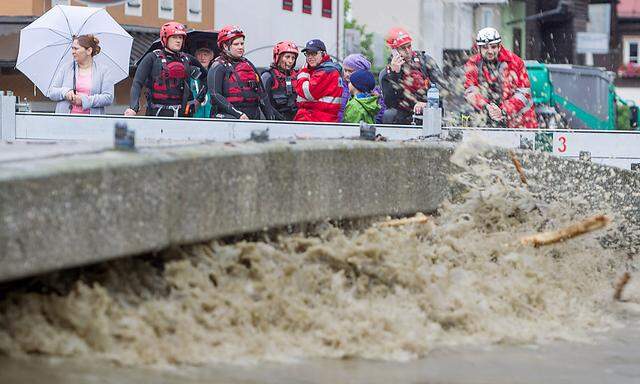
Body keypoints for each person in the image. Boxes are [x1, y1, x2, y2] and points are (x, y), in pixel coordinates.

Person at [124, 22, 207, 117]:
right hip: (156, 114)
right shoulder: (152, 58)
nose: (178, 41)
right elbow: (137, 83)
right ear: (164, 38)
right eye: (174, 37)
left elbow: (207, 78)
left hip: (182, 115)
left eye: (180, 37)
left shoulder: (187, 59)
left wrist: (198, 100)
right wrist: (133, 107)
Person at [464, 27, 538, 128]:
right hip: (486, 118)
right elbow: (470, 91)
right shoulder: (472, 64)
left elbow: (523, 93)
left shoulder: (515, 62)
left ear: (499, 46)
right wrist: (487, 107)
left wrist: (503, 111)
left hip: (520, 121)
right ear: (479, 48)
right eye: (485, 47)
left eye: (493, 47)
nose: (490, 51)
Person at [380, 27, 443, 125]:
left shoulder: (425, 61)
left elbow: (441, 89)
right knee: (389, 114)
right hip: (404, 114)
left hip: (429, 108)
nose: (407, 51)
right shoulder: (386, 74)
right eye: (402, 48)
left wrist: (427, 104)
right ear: (394, 51)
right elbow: (390, 104)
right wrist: (394, 75)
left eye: (409, 46)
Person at [208, 25, 272, 120]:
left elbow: (262, 94)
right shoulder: (218, 66)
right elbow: (215, 95)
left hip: (251, 114)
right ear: (225, 46)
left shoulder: (248, 64)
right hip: (229, 115)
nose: (240, 47)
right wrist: (238, 114)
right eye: (236, 44)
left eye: (242, 44)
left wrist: (271, 119)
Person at [48, 34, 114, 115]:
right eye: (72, 48)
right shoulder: (66, 68)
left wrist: (84, 100)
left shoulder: (103, 71)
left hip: (92, 123)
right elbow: (51, 92)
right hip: (65, 122)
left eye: (76, 49)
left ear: (89, 51)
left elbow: (108, 97)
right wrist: (65, 92)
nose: (73, 52)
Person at [294, 39, 343, 122]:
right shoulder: (323, 69)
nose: (310, 57)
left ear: (323, 54)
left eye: (314, 53)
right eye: (307, 54)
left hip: (317, 121)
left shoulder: (326, 71)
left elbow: (307, 92)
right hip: (318, 119)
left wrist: (303, 73)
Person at [340, 53, 385, 123]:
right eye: (345, 70)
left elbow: (379, 112)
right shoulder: (340, 87)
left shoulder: (373, 92)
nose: (347, 74)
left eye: (351, 71)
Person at [261, 41, 299, 121]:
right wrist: (279, 119)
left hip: (296, 121)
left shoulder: (298, 76)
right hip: (276, 121)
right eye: (287, 57)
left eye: (293, 58)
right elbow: (263, 102)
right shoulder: (268, 76)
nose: (290, 61)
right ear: (278, 57)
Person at [190, 46, 214, 118]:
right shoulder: (189, 75)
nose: (202, 58)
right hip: (192, 119)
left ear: (211, 57)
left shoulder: (215, 76)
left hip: (211, 119)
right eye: (199, 54)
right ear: (195, 57)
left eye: (206, 54)